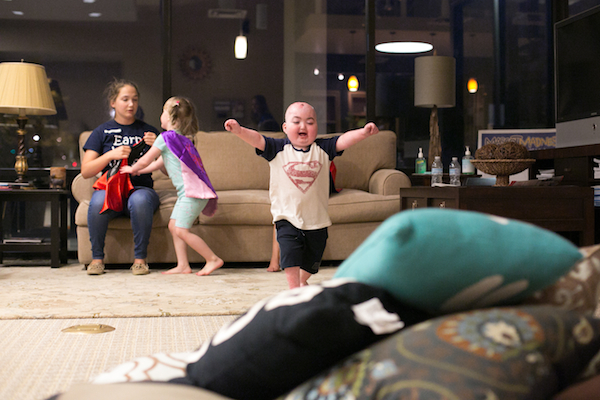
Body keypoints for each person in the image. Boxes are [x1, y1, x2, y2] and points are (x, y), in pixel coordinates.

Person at [225, 101, 379, 289]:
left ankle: (302, 279)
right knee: (290, 256)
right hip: (286, 217)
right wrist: (239, 130)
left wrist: (363, 132)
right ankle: (293, 290)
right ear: (285, 127)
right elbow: (257, 139)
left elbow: (344, 140)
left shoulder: (323, 148)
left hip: (317, 220)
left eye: (310, 122)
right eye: (296, 122)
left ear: (317, 127)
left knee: (313, 261)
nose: (303, 126)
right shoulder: (277, 149)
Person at [121, 96, 224, 276]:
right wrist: (139, 171)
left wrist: (132, 167)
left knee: (181, 230)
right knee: (173, 225)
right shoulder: (178, 140)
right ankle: (183, 265)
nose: (161, 115)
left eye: (163, 112)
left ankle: (212, 259)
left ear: (171, 118)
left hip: (191, 194)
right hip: (190, 193)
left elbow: (146, 159)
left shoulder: (165, 138)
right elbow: (158, 163)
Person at [82, 78, 160, 276]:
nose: (131, 104)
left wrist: (158, 146)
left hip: (141, 188)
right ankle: (97, 259)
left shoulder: (149, 132)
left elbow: (170, 167)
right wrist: (110, 154)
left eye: (134, 99)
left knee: (140, 200)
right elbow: (86, 170)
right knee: (97, 201)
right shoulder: (101, 132)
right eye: (125, 99)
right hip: (111, 188)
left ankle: (140, 260)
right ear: (113, 102)